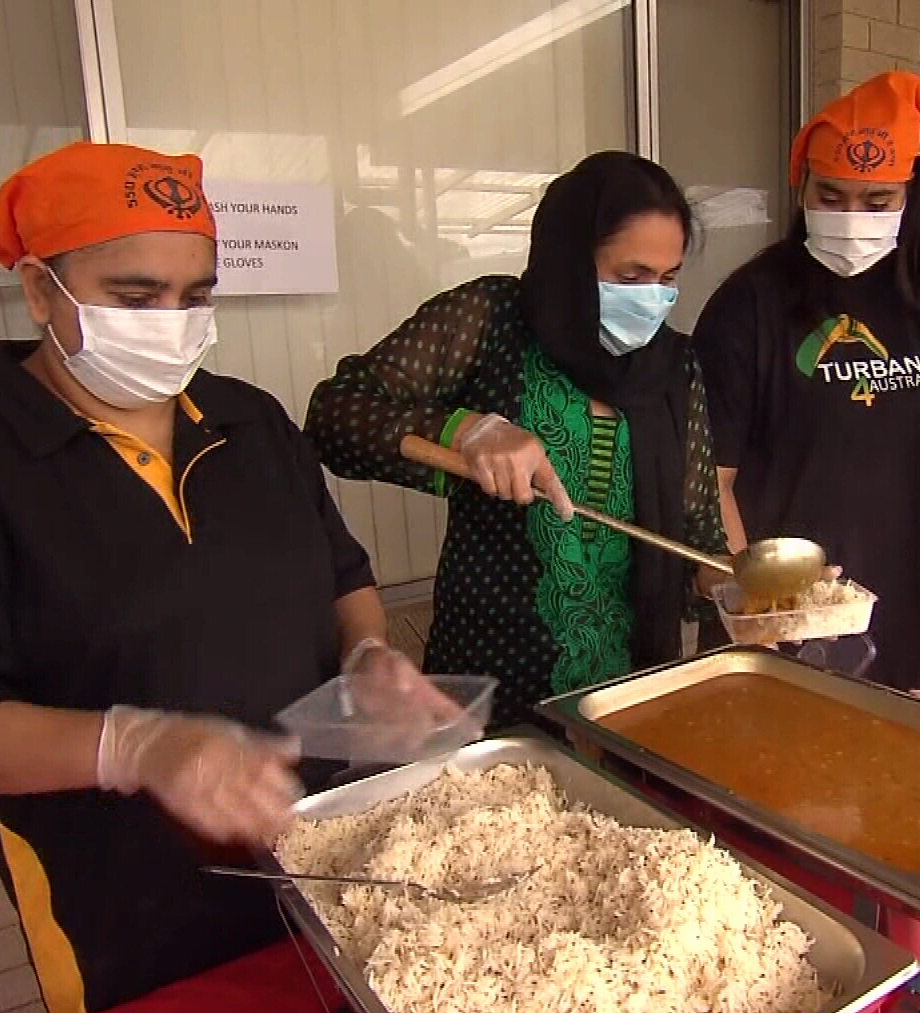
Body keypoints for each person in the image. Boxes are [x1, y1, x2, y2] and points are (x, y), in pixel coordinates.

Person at [0, 142, 459, 1013]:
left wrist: (367, 654)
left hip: (331, 855)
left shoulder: (247, 419)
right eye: (135, 298)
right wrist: (136, 749)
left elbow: (341, 573)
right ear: (37, 291)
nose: (171, 321)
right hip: (129, 907)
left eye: (196, 295)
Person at [305, 151, 726, 724]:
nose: (652, 298)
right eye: (630, 277)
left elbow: (697, 525)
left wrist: (743, 584)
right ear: (570, 259)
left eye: (667, 279)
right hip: (493, 678)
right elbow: (335, 414)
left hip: (630, 691)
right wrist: (468, 430)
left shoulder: (676, 366)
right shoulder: (492, 318)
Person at [693, 72, 920, 702]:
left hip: (907, 626)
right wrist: (750, 601)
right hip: (773, 631)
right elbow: (711, 480)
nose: (850, 219)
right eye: (830, 196)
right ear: (800, 186)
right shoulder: (749, 304)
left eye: (877, 202)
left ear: (911, 200)